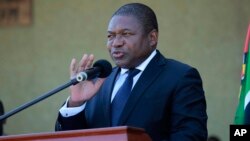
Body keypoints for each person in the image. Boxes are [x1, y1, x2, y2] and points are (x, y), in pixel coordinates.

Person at [55, 3, 208, 141]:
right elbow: (73, 138)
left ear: (152, 37)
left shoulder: (180, 77)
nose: (116, 43)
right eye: (111, 36)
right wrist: (76, 104)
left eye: (126, 34)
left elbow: (191, 136)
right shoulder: (98, 81)